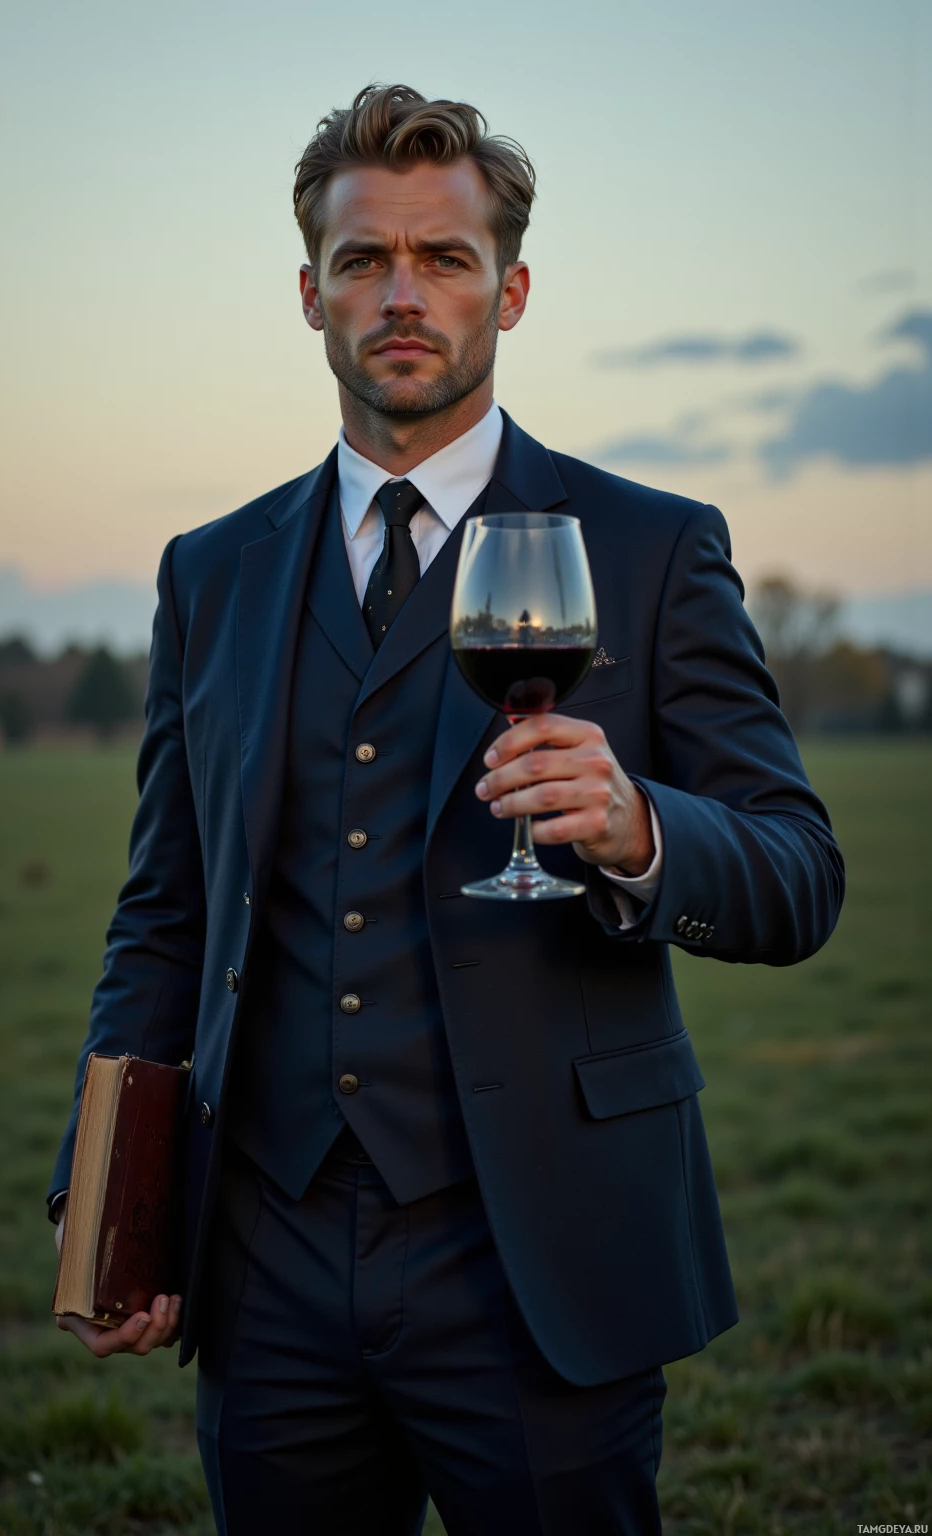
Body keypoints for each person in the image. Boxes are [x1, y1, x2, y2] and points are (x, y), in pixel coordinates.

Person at [49, 83, 844, 1535]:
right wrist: (109, 1194)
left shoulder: (655, 546)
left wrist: (644, 832)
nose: (401, 295)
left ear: (511, 291)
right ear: (310, 294)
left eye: (445, 258)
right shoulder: (209, 572)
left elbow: (800, 873)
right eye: (363, 260)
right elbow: (166, 906)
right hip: (267, 1258)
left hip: (543, 1254)